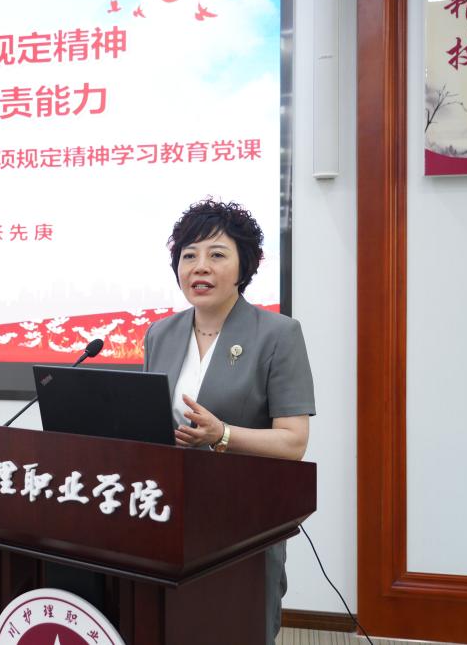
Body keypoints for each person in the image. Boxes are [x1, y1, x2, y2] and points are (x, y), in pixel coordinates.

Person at [143, 198, 315, 645]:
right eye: (189, 256)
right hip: (171, 515)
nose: (200, 267)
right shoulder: (160, 333)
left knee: (237, 626)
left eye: (217, 254)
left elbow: (293, 442)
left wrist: (223, 435)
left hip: (243, 519)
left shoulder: (278, 334)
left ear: (245, 266)